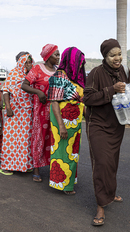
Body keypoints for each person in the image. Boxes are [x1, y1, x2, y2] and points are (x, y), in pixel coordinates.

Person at [83, 39, 130, 226]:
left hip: (116, 124)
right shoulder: (95, 73)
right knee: (102, 162)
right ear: (105, 56)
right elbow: (87, 98)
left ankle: (110, 193)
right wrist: (111, 90)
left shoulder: (125, 71)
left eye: (119, 54)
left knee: (111, 161)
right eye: (113, 55)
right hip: (98, 124)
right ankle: (101, 205)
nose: (117, 58)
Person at [47, 47, 86, 195]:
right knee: (62, 151)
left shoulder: (76, 77)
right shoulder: (59, 76)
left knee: (73, 152)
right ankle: (62, 184)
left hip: (75, 122)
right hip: (62, 120)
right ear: (71, 61)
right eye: (79, 61)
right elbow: (54, 102)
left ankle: (69, 181)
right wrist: (61, 126)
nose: (82, 65)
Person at [21, 44, 60, 182]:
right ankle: (36, 168)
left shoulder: (58, 71)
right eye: (56, 55)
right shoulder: (37, 69)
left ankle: (53, 168)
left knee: (54, 138)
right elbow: (24, 85)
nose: (58, 57)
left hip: (56, 111)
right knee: (39, 138)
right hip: (41, 111)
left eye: (59, 55)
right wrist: (38, 92)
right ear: (48, 56)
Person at [0, 53, 34, 175]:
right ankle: (8, 165)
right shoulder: (14, 74)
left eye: (31, 62)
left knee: (25, 138)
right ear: (21, 63)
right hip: (14, 110)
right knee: (11, 138)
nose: (30, 64)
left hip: (27, 111)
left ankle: (24, 164)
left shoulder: (31, 75)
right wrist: (7, 107)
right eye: (27, 62)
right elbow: (6, 91)